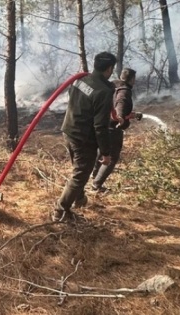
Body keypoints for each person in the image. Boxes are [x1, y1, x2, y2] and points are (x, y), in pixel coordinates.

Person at [52, 52, 117, 222]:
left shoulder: (81, 79)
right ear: (110, 68)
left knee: (79, 169)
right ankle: (60, 211)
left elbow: (73, 97)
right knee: (80, 174)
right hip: (83, 138)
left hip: (69, 130)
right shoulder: (103, 92)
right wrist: (106, 152)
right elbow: (100, 126)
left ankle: (79, 199)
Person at [90, 67, 143, 193]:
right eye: (134, 79)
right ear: (131, 79)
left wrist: (130, 115)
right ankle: (96, 185)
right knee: (112, 157)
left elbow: (113, 107)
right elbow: (120, 105)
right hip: (112, 128)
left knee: (102, 152)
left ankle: (93, 177)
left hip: (101, 124)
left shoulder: (111, 86)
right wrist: (120, 117)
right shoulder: (124, 92)